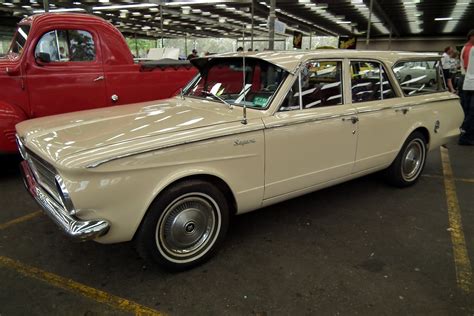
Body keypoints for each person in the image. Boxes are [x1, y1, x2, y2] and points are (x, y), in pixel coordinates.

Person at [459, 30, 474, 145]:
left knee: (468, 109)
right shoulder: (470, 48)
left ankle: (466, 132)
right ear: (471, 37)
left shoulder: (467, 47)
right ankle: (465, 134)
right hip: (470, 80)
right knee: (471, 110)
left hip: (467, 80)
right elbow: (468, 66)